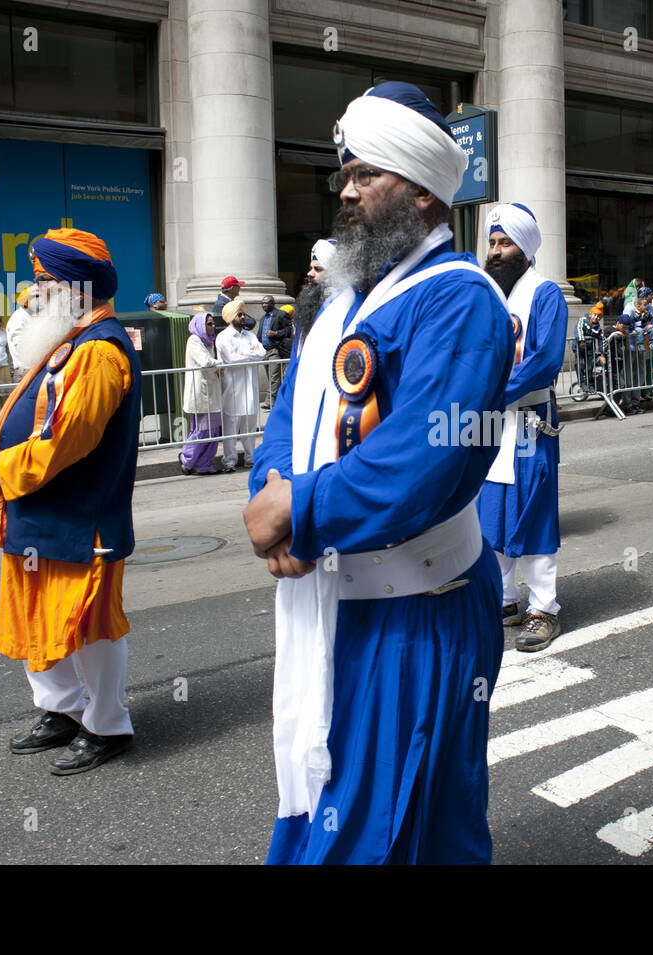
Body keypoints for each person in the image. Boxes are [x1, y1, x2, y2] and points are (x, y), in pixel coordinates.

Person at [242, 81, 511, 864]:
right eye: (345, 175)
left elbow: (429, 461)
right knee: (325, 806)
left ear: (425, 192)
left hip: (417, 614)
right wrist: (274, 492)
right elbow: (290, 418)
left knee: (409, 822)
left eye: (367, 175)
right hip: (332, 602)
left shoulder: (464, 303)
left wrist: (305, 509)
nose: (346, 192)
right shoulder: (340, 304)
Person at [0, 227, 140, 775]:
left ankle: (108, 723)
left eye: (42, 281)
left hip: (81, 517)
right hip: (40, 511)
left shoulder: (97, 351)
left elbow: (69, 439)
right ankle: (62, 710)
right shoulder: (69, 342)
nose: (30, 292)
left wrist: (0, 468)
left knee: (89, 622)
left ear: (75, 289)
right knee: (36, 610)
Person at [477, 203, 567, 650]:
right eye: (492, 243)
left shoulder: (545, 294)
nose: (495, 251)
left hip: (530, 422)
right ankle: (505, 599)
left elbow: (545, 360)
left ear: (525, 248)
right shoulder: (488, 294)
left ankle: (544, 608)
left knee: (532, 511)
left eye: (504, 243)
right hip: (490, 423)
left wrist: (490, 391)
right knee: (490, 510)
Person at [215, 298, 265, 472]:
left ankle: (250, 458)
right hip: (233, 389)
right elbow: (232, 359)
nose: (244, 317)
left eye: (243, 313)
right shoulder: (223, 338)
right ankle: (229, 461)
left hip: (250, 388)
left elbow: (262, 352)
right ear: (230, 317)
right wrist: (250, 354)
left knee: (250, 427)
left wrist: (245, 354)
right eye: (240, 314)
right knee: (231, 428)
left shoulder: (250, 335)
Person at [180, 310, 223, 475]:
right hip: (200, 393)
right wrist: (222, 364)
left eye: (213, 324)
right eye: (209, 324)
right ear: (200, 325)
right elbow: (205, 362)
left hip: (212, 392)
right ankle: (187, 459)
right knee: (202, 430)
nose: (212, 327)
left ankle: (203, 464)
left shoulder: (209, 342)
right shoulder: (194, 340)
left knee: (213, 430)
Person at [258, 294, 293, 403]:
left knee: (275, 377)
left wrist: (276, 333)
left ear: (273, 303)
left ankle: (271, 402)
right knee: (270, 377)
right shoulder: (263, 318)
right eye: (262, 303)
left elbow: (289, 330)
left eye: (266, 303)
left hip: (275, 350)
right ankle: (274, 400)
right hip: (265, 351)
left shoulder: (281, 315)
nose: (264, 305)